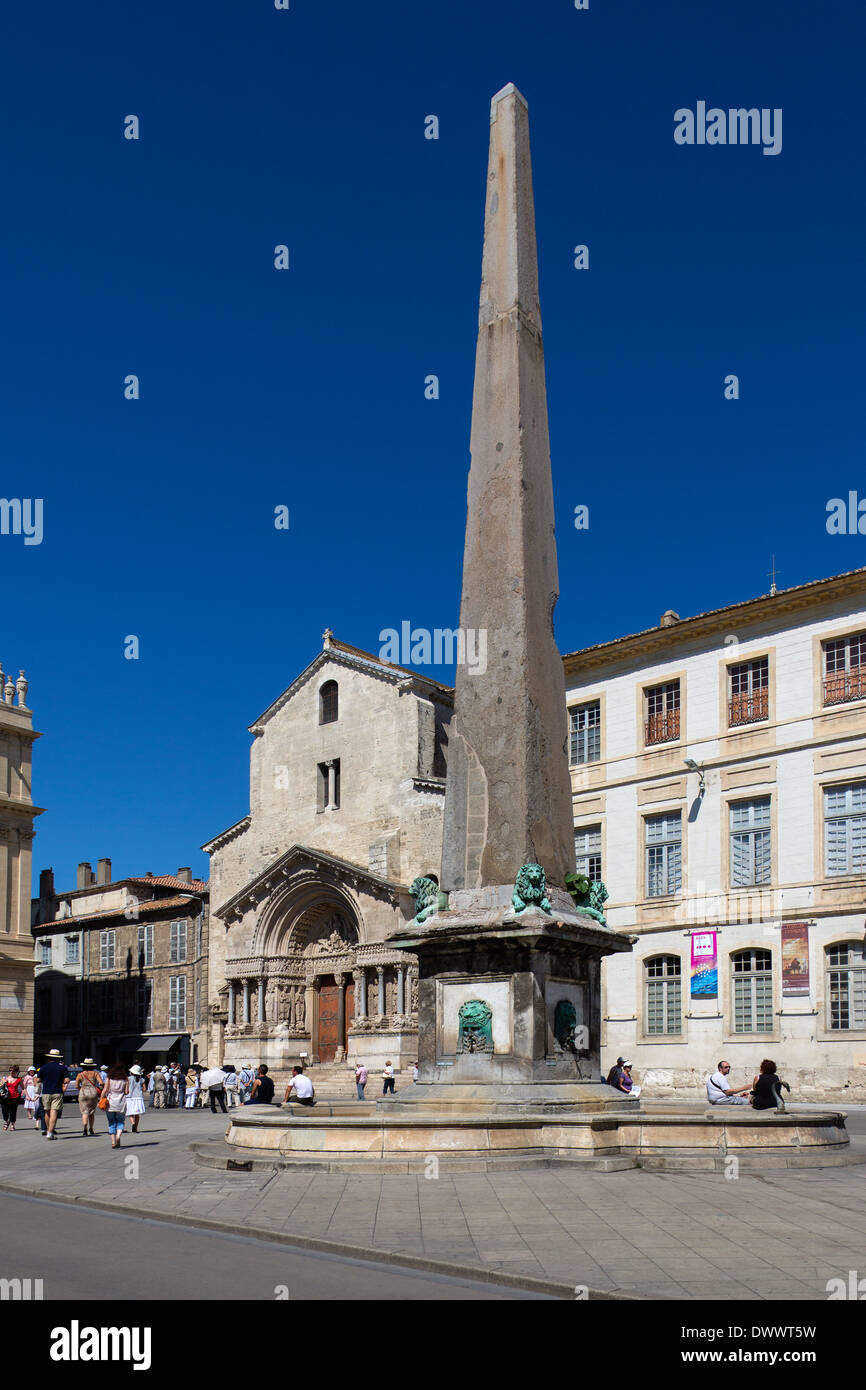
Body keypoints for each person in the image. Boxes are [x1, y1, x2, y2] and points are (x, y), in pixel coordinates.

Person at [38, 1049, 69, 1139]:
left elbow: (38, 1080)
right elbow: (67, 1080)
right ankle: (50, 1133)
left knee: (47, 1112)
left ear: (49, 1058)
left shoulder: (43, 1067)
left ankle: (49, 1131)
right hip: (57, 1091)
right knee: (54, 1111)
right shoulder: (62, 1068)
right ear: (58, 1059)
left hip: (46, 1092)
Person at [101, 1065, 129, 1148]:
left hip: (110, 1102)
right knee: (120, 1121)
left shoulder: (109, 1078)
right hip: (121, 1103)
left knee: (111, 1122)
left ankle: (113, 1141)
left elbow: (105, 1089)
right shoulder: (125, 1079)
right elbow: (127, 1092)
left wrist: (101, 1098)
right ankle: (118, 1136)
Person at [76, 1058, 102, 1136]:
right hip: (93, 1092)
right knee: (91, 1112)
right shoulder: (95, 1073)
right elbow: (101, 1083)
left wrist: (81, 1089)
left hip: (83, 1092)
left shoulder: (80, 1074)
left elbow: (76, 1086)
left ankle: (85, 1128)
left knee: (85, 1111)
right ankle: (91, 1128)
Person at [1, 1065, 24, 1131]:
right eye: (10, 1070)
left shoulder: (19, 1079)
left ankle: (12, 1124)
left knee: (13, 1112)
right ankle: (6, 1121)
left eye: (13, 1071)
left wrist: (26, 1095)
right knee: (4, 1111)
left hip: (15, 1097)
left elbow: (23, 1088)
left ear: (16, 1071)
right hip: (5, 1098)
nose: (11, 1072)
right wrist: (3, 1082)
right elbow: (0, 1086)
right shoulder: (5, 1078)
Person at [126, 1064, 146, 1133]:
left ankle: (133, 1123)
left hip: (129, 1097)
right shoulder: (141, 1079)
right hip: (138, 1097)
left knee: (130, 1113)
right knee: (137, 1114)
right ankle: (136, 1128)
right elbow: (144, 1089)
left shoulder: (128, 1079)